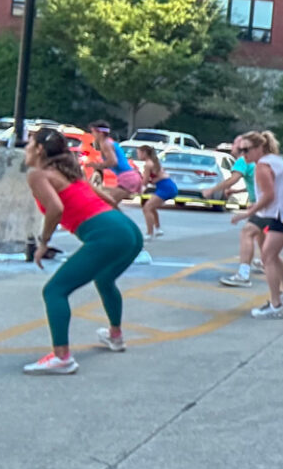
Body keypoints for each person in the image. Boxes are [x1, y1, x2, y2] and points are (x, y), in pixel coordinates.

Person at [25, 127, 145, 374]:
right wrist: (116, 228)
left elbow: (55, 209)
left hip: (109, 234)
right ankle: (115, 336)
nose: (25, 149)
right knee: (104, 279)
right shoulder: (70, 172)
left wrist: (43, 242)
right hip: (129, 231)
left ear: (39, 150)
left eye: (29, 144)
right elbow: (108, 199)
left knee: (54, 291)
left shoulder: (38, 175)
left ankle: (62, 358)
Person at [229, 132, 283, 318]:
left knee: (268, 256)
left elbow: (269, 196)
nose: (243, 154)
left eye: (247, 150)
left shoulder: (263, 166)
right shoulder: (271, 160)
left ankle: (276, 306)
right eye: (241, 150)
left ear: (260, 148)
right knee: (271, 254)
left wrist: (247, 213)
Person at [214, 134, 265, 288]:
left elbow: (233, 179)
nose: (233, 146)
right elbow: (254, 184)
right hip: (264, 203)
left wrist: (212, 190)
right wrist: (237, 192)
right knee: (260, 234)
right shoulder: (258, 161)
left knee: (247, 233)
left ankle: (243, 274)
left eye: (236, 143)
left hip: (263, 204)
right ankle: (266, 262)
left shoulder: (243, 161)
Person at [88, 122, 143, 203]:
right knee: (109, 204)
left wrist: (98, 165)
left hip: (127, 177)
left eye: (93, 132)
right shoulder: (109, 143)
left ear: (100, 133)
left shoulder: (105, 144)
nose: (92, 134)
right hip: (130, 176)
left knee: (107, 204)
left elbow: (113, 161)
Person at [135, 145, 176, 239]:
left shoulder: (148, 164)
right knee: (151, 207)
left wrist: (139, 188)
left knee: (147, 208)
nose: (137, 155)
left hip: (165, 188)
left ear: (144, 153)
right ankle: (158, 229)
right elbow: (156, 178)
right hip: (168, 186)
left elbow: (145, 182)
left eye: (138, 153)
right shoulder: (154, 162)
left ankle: (149, 233)